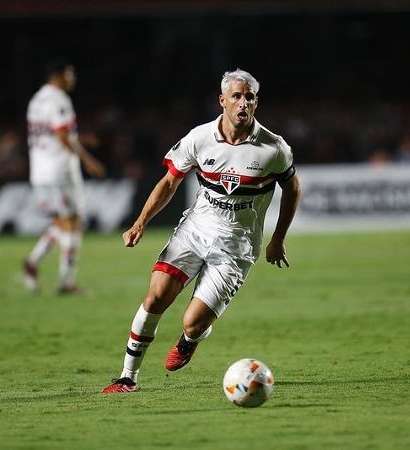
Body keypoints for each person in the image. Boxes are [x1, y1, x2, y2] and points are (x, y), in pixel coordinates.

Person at [101, 68, 301, 394]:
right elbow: (169, 182)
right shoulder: (199, 138)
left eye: (249, 97)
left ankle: (191, 338)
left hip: (237, 248)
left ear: (256, 103)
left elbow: (293, 190)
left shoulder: (273, 148)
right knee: (155, 297)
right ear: (222, 100)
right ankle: (127, 377)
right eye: (236, 96)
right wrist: (140, 222)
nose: (243, 103)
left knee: (192, 322)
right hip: (195, 232)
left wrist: (278, 238)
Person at [23, 61, 105, 294]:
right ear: (57, 76)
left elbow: (55, 133)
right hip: (59, 170)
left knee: (61, 222)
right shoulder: (59, 100)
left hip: (39, 170)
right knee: (73, 222)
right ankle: (66, 282)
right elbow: (61, 136)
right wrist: (88, 160)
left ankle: (32, 263)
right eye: (69, 74)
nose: (72, 78)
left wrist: (79, 138)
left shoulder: (36, 100)